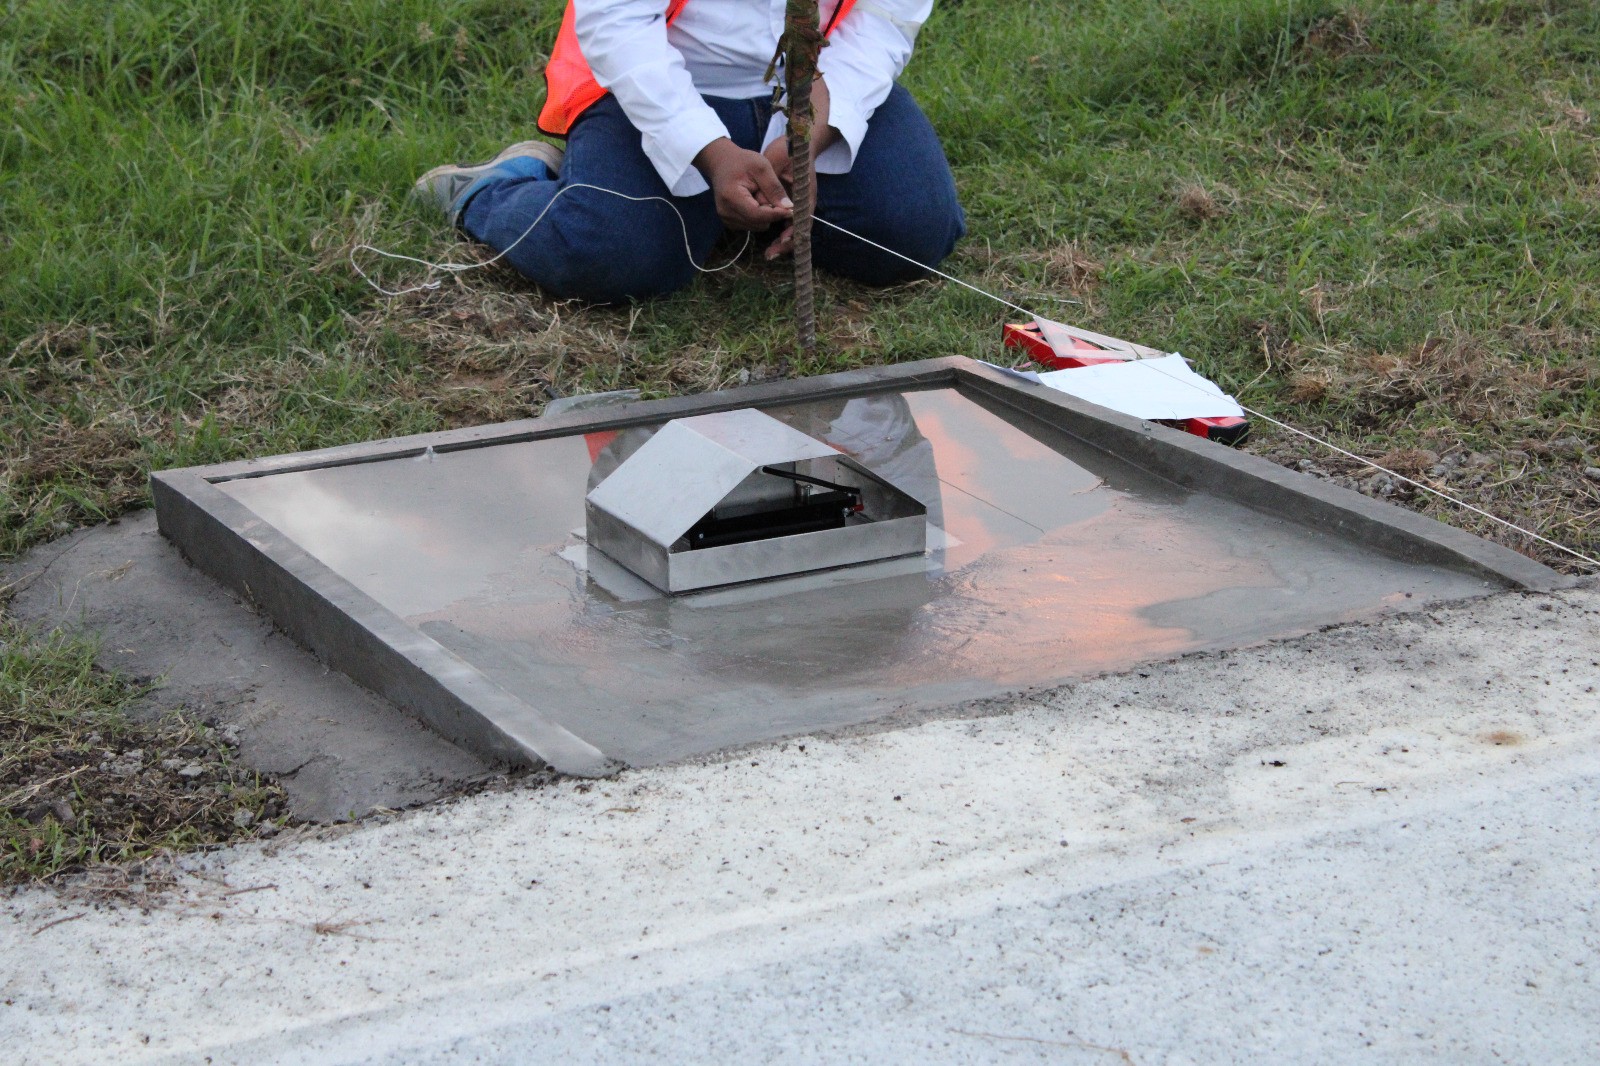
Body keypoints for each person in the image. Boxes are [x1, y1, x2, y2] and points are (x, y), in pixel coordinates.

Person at [413, 0, 965, 304]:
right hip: (659, 84)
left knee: (910, 232)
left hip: (817, 82)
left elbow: (884, 21)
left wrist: (817, 130)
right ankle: (495, 188)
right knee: (610, 254)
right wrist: (707, 149)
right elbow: (617, 23)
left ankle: (739, 210)